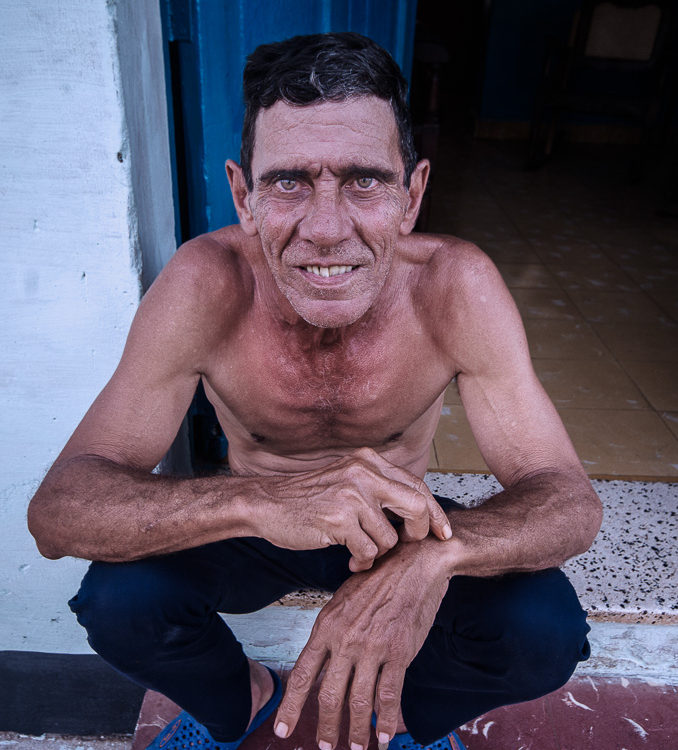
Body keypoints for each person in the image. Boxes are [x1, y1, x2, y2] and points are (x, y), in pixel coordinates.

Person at [28, 32, 602, 750]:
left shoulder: (456, 285)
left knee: (542, 632)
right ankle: (242, 705)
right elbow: (59, 512)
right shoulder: (207, 284)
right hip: (256, 527)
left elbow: (568, 500)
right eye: (289, 182)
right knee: (120, 603)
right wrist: (258, 499)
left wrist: (435, 558)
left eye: (363, 180)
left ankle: (391, 723)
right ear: (243, 195)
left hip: (401, 527)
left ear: (411, 194)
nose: (326, 229)